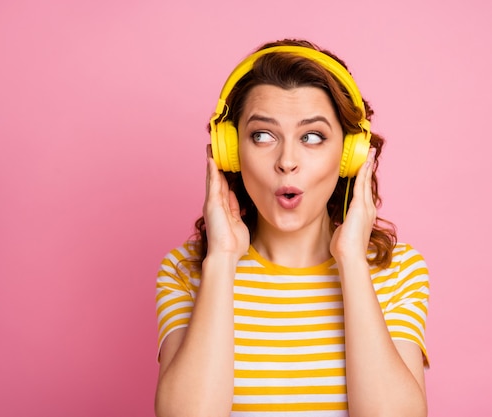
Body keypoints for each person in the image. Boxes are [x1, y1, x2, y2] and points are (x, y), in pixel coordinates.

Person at [154, 38, 430, 417]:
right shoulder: (186, 271)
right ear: (229, 151)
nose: (287, 161)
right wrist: (221, 260)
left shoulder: (396, 271)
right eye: (262, 136)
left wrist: (351, 261)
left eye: (312, 137)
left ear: (350, 155)